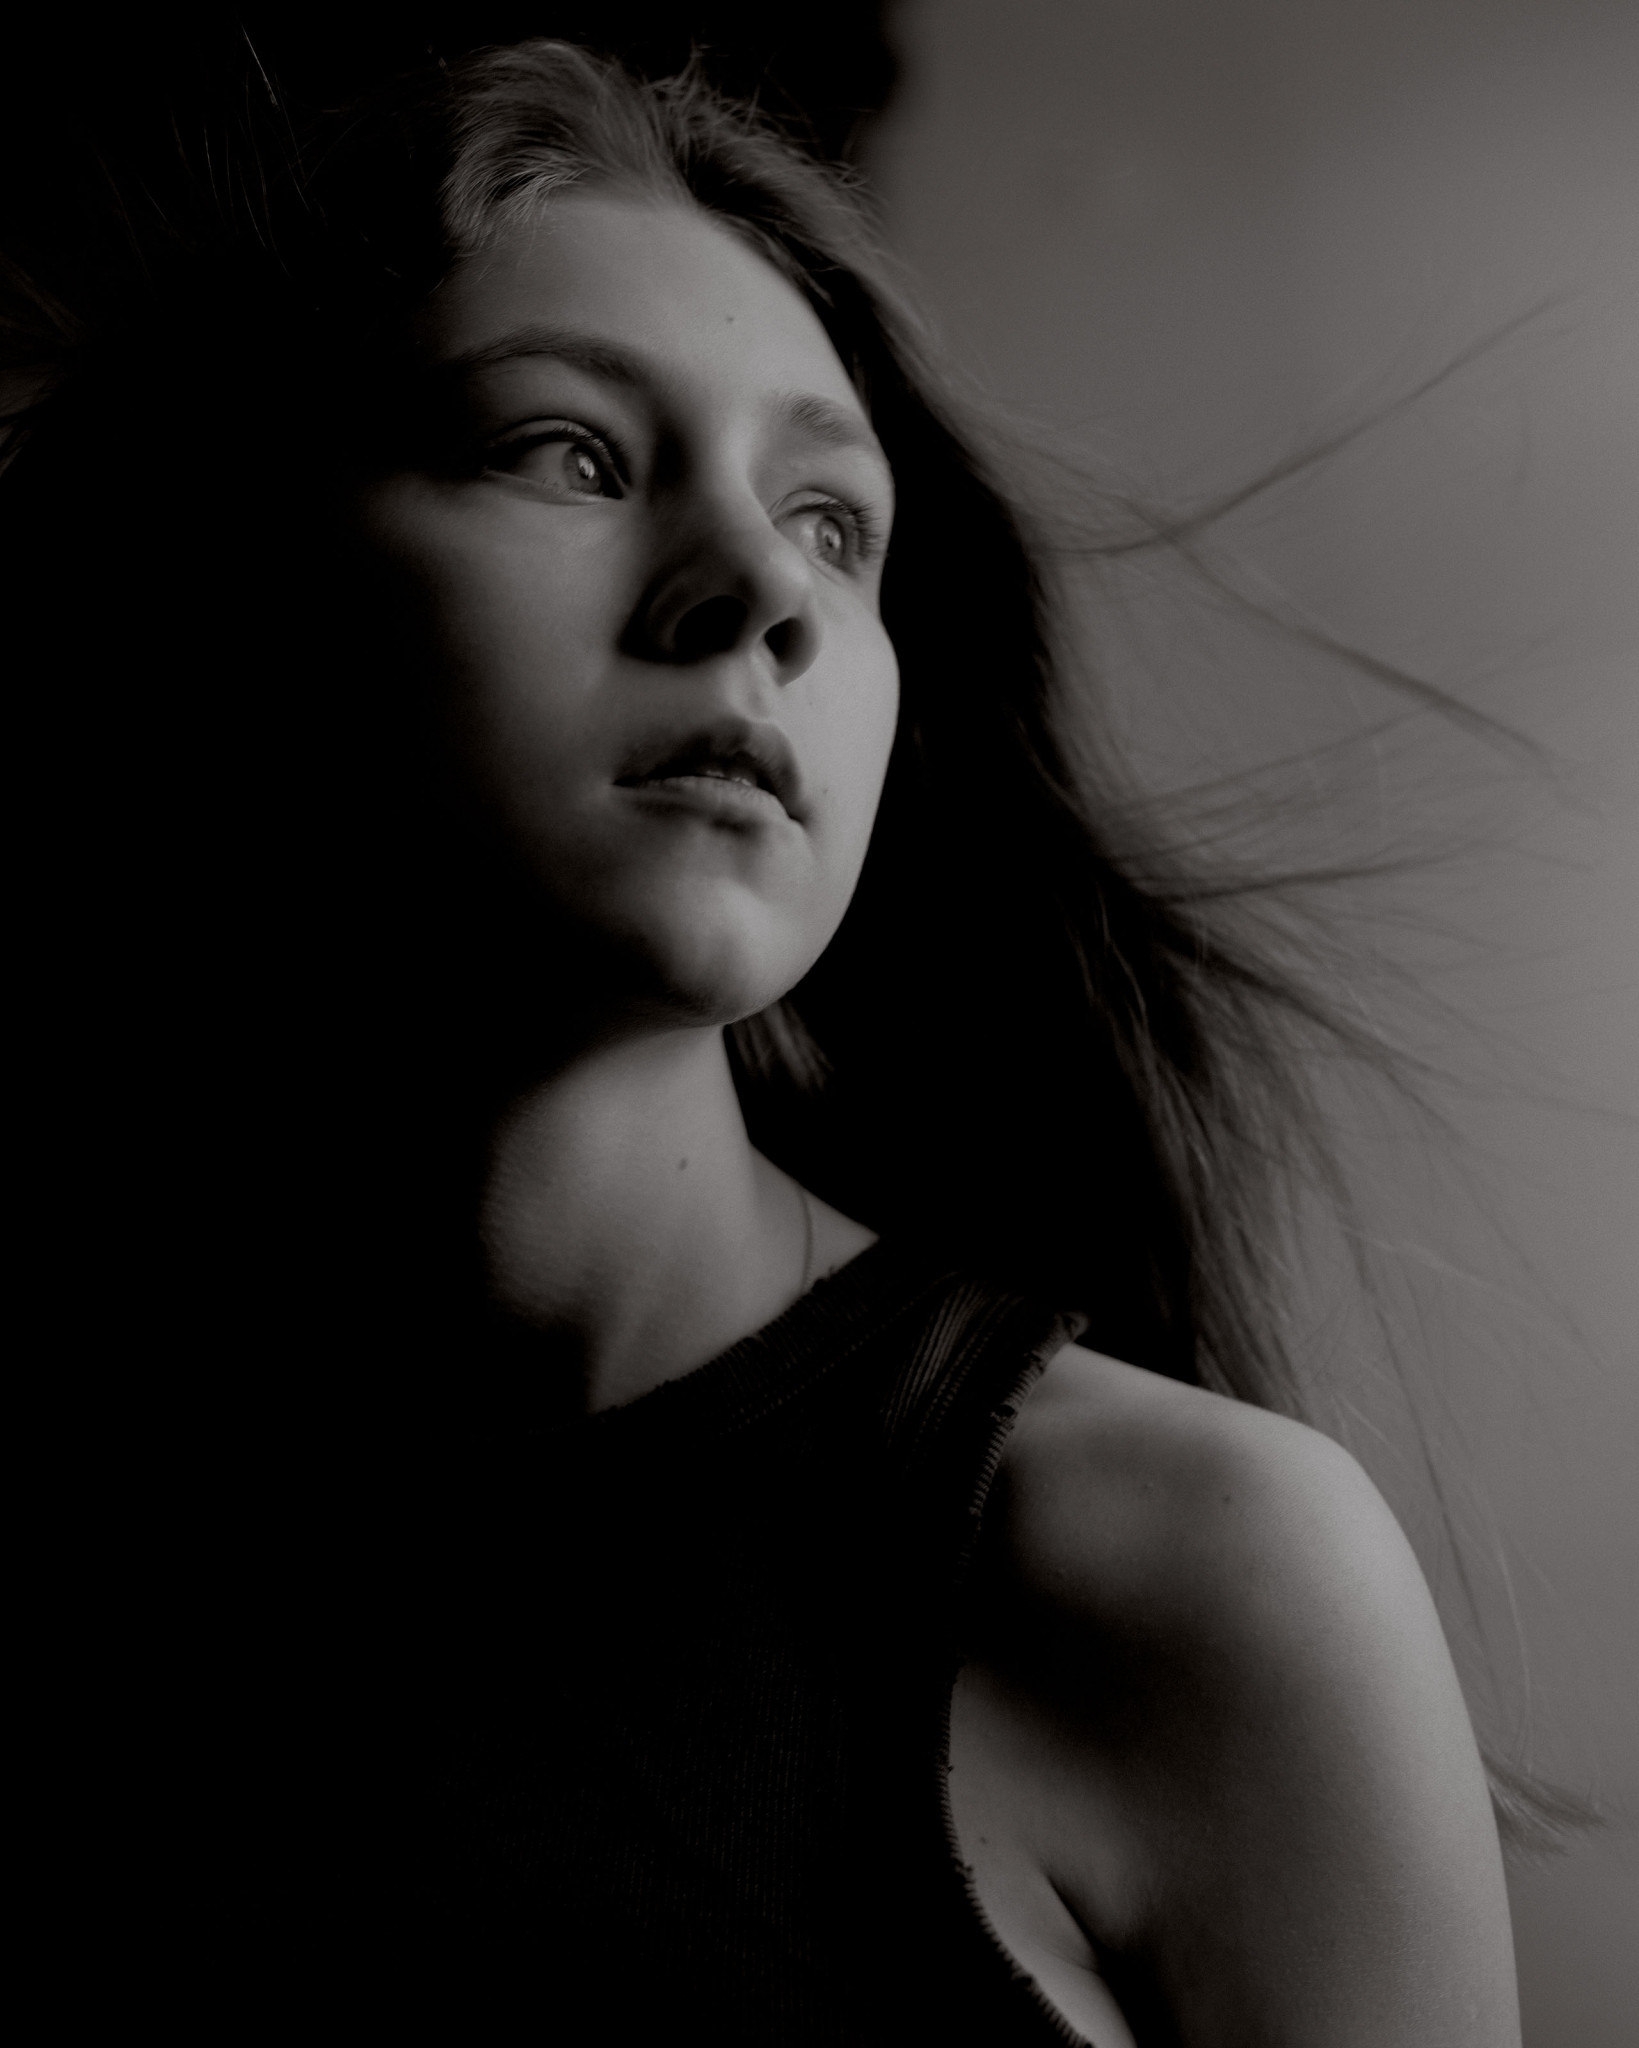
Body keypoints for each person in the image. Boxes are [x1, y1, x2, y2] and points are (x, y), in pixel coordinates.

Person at [5, 37, 1524, 2046]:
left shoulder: (1181, 1571)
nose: (760, 593)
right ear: (230, 590)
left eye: (833, 522)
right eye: (568, 452)